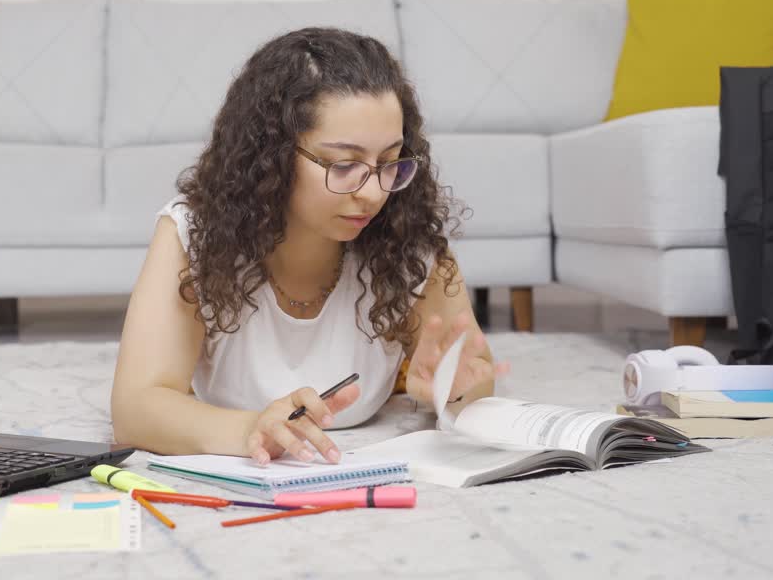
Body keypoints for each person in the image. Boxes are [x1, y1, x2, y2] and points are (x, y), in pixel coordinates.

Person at [111, 27, 497, 466]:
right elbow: (135, 409)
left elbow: (473, 377)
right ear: (270, 157)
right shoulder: (192, 233)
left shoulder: (409, 240)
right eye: (344, 164)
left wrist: (456, 387)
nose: (373, 193)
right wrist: (252, 430)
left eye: (390, 162)